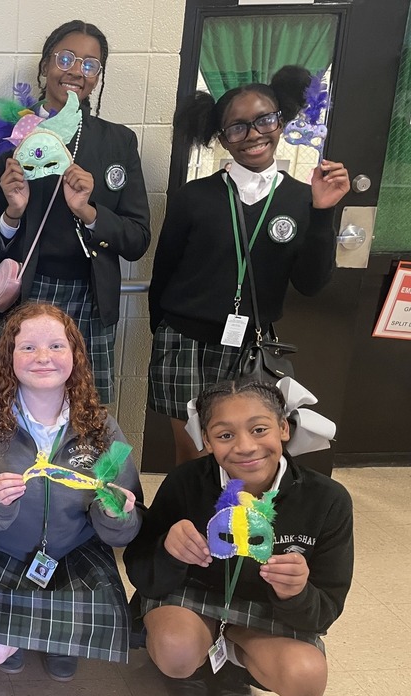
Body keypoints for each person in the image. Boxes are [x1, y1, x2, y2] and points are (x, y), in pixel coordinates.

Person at [147, 66, 351, 464]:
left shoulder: (302, 199)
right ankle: (189, 524)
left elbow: (310, 284)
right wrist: (164, 332)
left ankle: (234, 525)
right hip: (183, 341)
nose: (254, 134)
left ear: (281, 120)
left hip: (250, 347)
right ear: (222, 138)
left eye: (264, 119)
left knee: (244, 453)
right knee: (193, 453)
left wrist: (324, 213)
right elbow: (164, 272)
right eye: (237, 127)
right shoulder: (195, 196)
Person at [124, 377, 353, 696]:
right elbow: (142, 574)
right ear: (206, 441)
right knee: (177, 651)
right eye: (225, 435)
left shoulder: (327, 500)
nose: (246, 447)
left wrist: (296, 592)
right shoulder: (187, 482)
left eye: (259, 429)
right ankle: (197, 660)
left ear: (283, 428)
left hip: (267, 610)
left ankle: (233, 652)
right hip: (192, 595)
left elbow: (325, 611)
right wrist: (168, 550)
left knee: (306, 680)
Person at [0, 303, 142, 682]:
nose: (43, 357)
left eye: (56, 346)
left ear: (75, 356)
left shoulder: (101, 425)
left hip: (75, 551)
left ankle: (54, 636)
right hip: (1, 548)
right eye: (28, 347)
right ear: (9, 356)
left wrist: (115, 515)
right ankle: (30, 633)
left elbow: (130, 523)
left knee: (77, 633)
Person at [0, 19, 151, 404]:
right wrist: (12, 213)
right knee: (13, 412)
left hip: (91, 298)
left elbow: (137, 239)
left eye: (90, 65)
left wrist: (89, 212)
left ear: (98, 76)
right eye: (66, 58)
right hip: (25, 292)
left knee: (89, 417)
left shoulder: (118, 141)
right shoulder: (6, 137)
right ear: (45, 65)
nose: (77, 71)